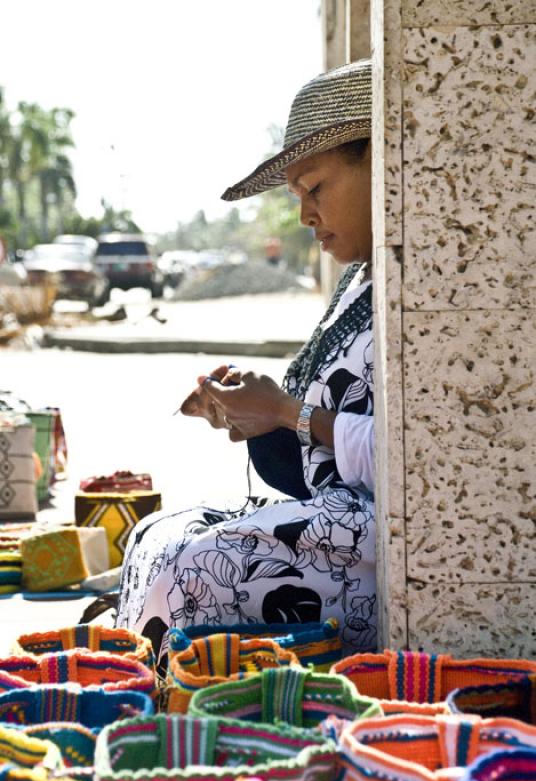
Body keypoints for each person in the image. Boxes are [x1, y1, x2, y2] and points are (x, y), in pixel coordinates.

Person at [116, 59, 376, 667]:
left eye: (316, 189)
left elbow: (413, 463)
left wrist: (289, 412)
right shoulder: (361, 281)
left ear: (383, 165)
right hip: (331, 520)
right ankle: (133, 684)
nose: (306, 216)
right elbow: (318, 435)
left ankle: (171, 706)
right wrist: (261, 418)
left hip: (374, 542)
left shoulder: (425, 293)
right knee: (153, 535)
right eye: (297, 197)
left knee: (190, 567)